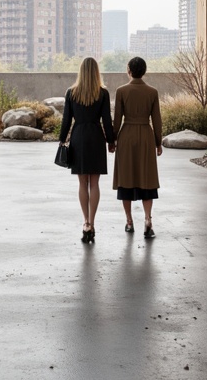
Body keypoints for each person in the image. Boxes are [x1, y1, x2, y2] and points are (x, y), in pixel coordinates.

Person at [58, 56, 115, 243]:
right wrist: (111, 141)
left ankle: (86, 223)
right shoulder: (103, 93)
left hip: (79, 137)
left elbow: (66, 120)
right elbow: (106, 120)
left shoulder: (71, 92)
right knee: (95, 183)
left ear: (81, 71)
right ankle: (93, 221)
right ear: (96, 71)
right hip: (96, 137)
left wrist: (61, 140)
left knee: (82, 183)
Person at [112, 56, 162, 238]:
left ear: (129, 70)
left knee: (126, 179)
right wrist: (158, 142)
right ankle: (148, 219)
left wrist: (112, 140)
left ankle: (129, 221)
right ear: (144, 71)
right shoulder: (152, 92)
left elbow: (116, 119)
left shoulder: (121, 91)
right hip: (146, 137)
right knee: (146, 179)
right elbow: (157, 120)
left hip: (126, 136)